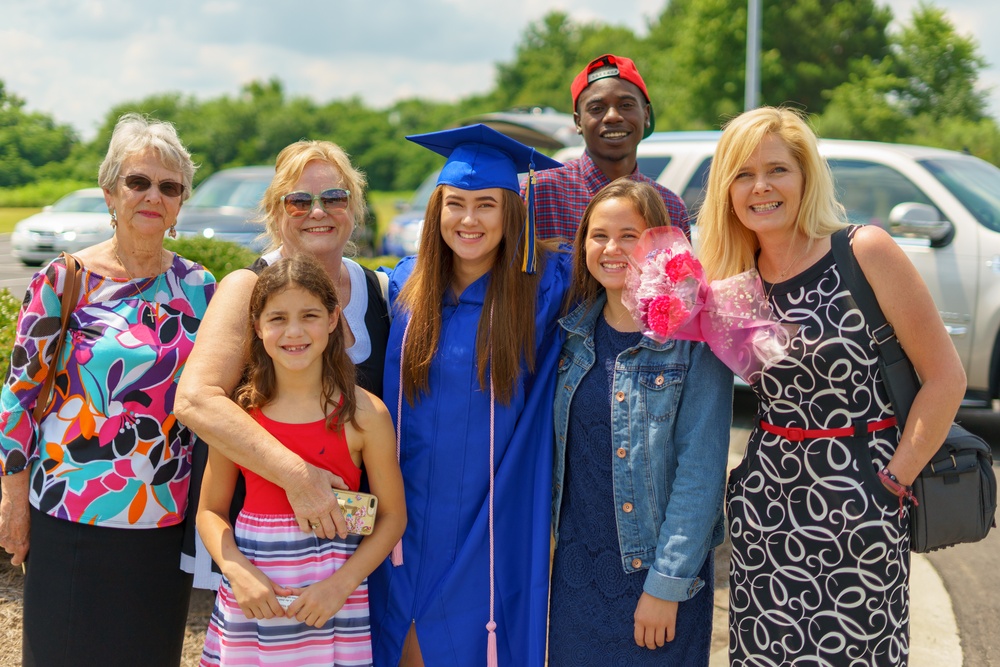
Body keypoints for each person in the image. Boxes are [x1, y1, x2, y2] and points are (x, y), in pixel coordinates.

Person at [696, 106, 967, 666]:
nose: (761, 186)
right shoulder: (730, 280)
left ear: (805, 177)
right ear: (725, 189)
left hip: (862, 503)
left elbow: (946, 378)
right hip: (767, 510)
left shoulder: (862, 251)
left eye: (777, 170)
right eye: (743, 174)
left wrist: (895, 478)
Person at [0, 112, 215, 666]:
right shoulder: (65, 278)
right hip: (69, 514)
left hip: (164, 517)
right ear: (109, 191)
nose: (152, 196)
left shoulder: (200, 288)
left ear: (181, 202)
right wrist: (12, 502)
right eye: (137, 181)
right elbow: (18, 397)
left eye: (169, 187)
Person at [367, 124, 568, 667]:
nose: (469, 220)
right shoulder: (407, 287)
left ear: (511, 213)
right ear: (436, 211)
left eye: (487, 205)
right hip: (403, 509)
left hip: (490, 513)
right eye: (455, 204)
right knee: (400, 636)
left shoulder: (544, 286)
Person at [176, 140, 389, 590]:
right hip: (260, 542)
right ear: (275, 212)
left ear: (353, 208)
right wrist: (300, 478)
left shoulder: (379, 291)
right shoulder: (247, 288)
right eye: (299, 200)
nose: (319, 211)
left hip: (350, 552)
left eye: (334, 197)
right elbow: (195, 401)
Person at [548, 178, 732, 666]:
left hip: (655, 577)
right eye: (598, 235)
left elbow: (702, 470)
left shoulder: (692, 339)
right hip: (572, 581)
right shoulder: (568, 337)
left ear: (658, 242)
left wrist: (666, 586)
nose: (611, 249)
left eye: (629, 235)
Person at [197, 255, 405, 667]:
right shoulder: (239, 416)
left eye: (309, 315)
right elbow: (210, 510)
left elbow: (392, 518)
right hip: (253, 602)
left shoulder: (365, 415)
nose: (293, 332)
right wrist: (235, 570)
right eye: (277, 319)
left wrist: (341, 585)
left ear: (333, 319)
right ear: (256, 327)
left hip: (331, 605)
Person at [526, 53, 690, 241]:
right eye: (597, 108)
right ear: (578, 122)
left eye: (626, 105)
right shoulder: (540, 193)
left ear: (645, 115)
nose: (612, 116)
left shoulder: (670, 206)